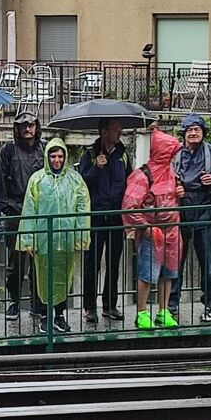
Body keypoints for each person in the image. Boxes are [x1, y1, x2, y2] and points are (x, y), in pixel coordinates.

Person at [18, 138, 91, 334]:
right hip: (43, 239)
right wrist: (28, 240)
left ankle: (59, 315)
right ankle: (43, 315)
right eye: (53, 156)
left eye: (60, 156)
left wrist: (80, 237)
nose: (57, 160)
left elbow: (83, 209)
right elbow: (29, 210)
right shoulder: (37, 180)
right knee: (41, 276)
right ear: (47, 157)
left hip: (66, 239)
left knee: (64, 276)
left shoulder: (75, 180)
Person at [169, 113, 211, 323]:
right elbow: (163, 180)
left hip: (205, 213)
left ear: (203, 133)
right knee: (175, 262)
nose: (193, 133)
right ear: (184, 133)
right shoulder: (175, 154)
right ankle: (171, 305)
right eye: (189, 130)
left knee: (208, 263)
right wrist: (174, 189)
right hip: (180, 213)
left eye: (197, 129)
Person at [122, 128, 182, 330]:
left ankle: (163, 311)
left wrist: (180, 192)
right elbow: (130, 206)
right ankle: (142, 313)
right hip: (152, 232)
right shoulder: (142, 175)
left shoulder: (171, 173)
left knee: (168, 274)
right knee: (147, 274)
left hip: (172, 231)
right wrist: (145, 227)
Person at [78, 117, 132, 326]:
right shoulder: (89, 154)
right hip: (96, 216)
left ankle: (110, 304)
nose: (119, 132)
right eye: (115, 129)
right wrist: (96, 168)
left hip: (116, 216)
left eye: (120, 128)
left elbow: (130, 181)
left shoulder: (122, 154)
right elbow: (81, 184)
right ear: (104, 132)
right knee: (91, 263)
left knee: (113, 262)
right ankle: (90, 307)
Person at [0, 111, 45, 322]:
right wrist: (7, 208)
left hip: (39, 213)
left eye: (31, 125)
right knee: (16, 263)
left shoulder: (44, 149)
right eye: (23, 125)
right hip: (16, 212)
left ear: (36, 127)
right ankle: (14, 301)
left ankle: (36, 303)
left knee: (39, 261)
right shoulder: (8, 150)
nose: (27, 129)